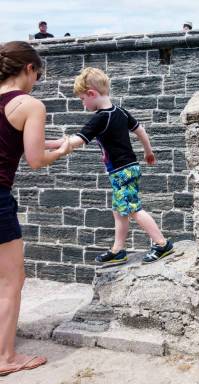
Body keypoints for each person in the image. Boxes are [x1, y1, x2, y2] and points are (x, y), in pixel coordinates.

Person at [45, 67, 174, 264]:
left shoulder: (100, 118)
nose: (83, 103)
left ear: (91, 93)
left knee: (133, 209)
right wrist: (148, 152)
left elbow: (75, 141)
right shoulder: (121, 112)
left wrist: (43, 144)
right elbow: (141, 131)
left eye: (82, 99)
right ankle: (118, 250)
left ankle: (161, 243)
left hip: (122, 171)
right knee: (119, 209)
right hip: (128, 167)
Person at [0, 41, 72, 376]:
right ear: (29, 68)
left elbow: (9, 137)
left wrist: (49, 141)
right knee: (11, 281)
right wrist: (63, 150)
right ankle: (6, 358)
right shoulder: (29, 104)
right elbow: (35, 160)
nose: (37, 82)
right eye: (38, 76)